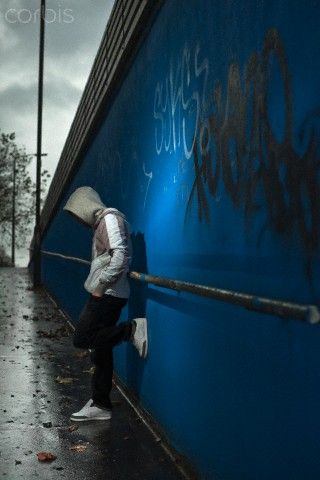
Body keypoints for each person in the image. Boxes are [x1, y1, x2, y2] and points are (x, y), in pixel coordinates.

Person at [63, 186, 148, 422]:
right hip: (107, 292)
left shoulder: (110, 218)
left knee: (82, 338)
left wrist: (100, 285)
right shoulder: (103, 222)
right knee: (100, 351)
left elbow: (121, 255)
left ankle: (130, 329)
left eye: (77, 214)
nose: (78, 221)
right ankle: (101, 404)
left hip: (108, 293)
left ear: (86, 206)